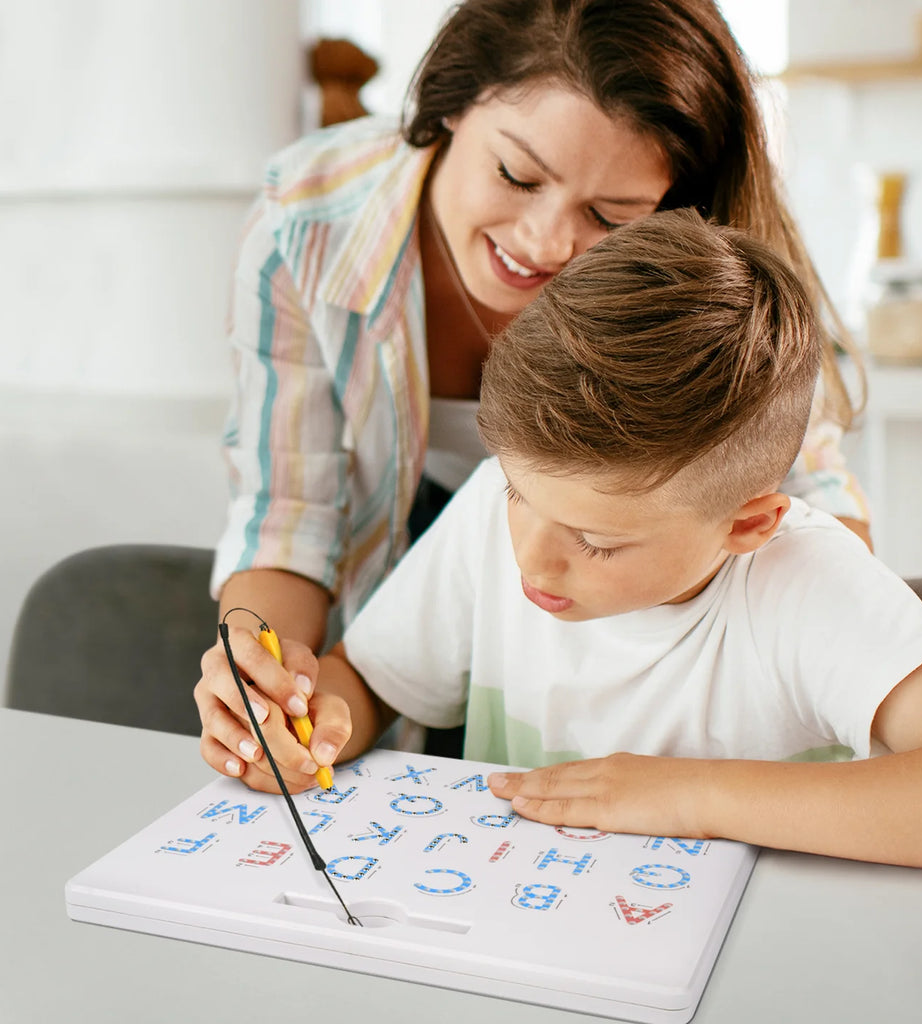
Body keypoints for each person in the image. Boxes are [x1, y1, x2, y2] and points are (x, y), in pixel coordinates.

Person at [214, 210, 922, 878]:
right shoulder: (489, 519)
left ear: (747, 524)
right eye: (519, 495)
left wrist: (688, 796)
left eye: (596, 542)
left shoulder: (805, 583)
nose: (531, 557)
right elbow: (370, 681)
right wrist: (311, 724)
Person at [196, 0, 871, 784]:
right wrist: (270, 691)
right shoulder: (307, 222)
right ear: (449, 102)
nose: (545, 243)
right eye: (516, 174)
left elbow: (813, 496)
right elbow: (288, 515)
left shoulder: (717, 280)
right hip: (398, 643)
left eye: (611, 215)